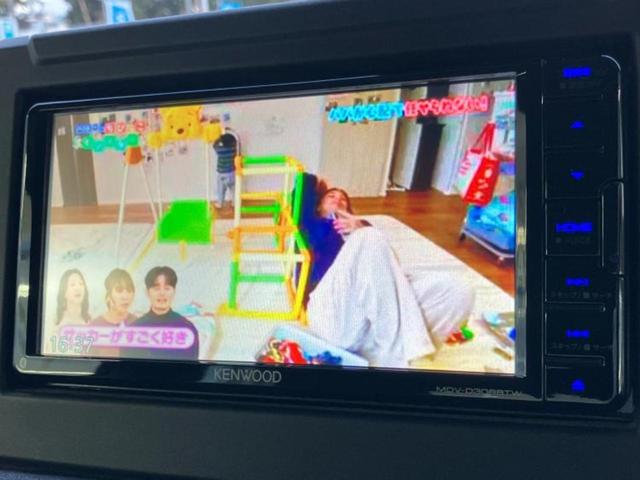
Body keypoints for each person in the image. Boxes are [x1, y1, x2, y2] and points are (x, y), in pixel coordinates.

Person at [298, 173, 475, 368]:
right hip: (333, 318)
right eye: (331, 196)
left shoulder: (362, 232)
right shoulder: (310, 224)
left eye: (343, 200)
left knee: (458, 290)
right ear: (318, 205)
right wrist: (318, 182)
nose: (338, 200)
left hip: (370, 329)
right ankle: (403, 354)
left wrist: (360, 226)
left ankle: (402, 355)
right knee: (369, 238)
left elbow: (389, 273)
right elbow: (300, 185)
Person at [131, 266, 199, 361]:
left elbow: (192, 367)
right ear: (147, 292)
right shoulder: (134, 329)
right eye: (156, 288)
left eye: (167, 288)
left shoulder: (187, 328)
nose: (162, 293)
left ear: (174, 291)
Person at [212, 132, 238, 208]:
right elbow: (236, 143)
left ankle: (220, 203)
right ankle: (235, 203)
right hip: (232, 173)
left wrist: (219, 139)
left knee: (221, 190)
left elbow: (214, 145)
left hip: (222, 174)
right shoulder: (234, 149)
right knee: (233, 190)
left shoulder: (220, 150)